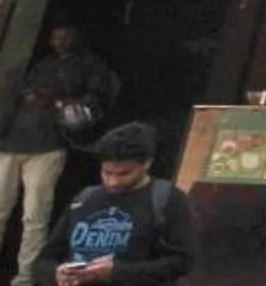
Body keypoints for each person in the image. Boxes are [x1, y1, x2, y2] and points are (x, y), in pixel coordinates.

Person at [0, 22, 120, 286]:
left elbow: (92, 108)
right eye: (56, 37)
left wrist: (57, 103)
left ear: (78, 37)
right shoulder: (42, 66)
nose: (60, 42)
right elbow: (15, 101)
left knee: (34, 219)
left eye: (66, 36)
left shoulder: (89, 66)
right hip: (12, 145)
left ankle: (25, 279)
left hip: (49, 146)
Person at [30, 121, 196, 286]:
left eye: (124, 174)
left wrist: (116, 273)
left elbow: (182, 261)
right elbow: (44, 261)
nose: (113, 181)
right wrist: (57, 274)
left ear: (147, 163)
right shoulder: (85, 198)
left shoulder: (166, 198)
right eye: (107, 173)